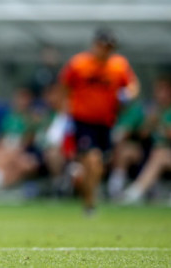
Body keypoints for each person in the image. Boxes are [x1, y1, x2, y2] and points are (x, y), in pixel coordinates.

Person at [59, 28, 139, 215]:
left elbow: (133, 85)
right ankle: (90, 203)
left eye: (110, 47)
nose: (107, 51)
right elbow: (64, 86)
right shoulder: (79, 64)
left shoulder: (119, 65)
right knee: (93, 160)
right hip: (83, 121)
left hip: (105, 122)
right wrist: (65, 113)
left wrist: (128, 95)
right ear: (95, 45)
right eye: (104, 46)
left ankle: (86, 196)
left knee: (98, 166)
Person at [121, 76, 171, 204]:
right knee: (125, 150)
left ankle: (136, 192)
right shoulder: (152, 109)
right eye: (159, 90)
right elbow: (143, 134)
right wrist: (148, 123)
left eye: (165, 90)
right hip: (148, 152)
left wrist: (160, 123)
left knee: (160, 153)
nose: (161, 94)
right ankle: (115, 188)